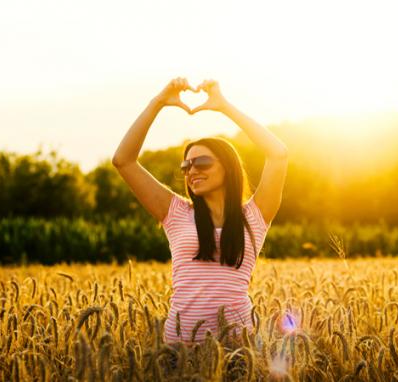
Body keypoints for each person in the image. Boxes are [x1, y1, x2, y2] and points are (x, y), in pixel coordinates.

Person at [112, 77, 288, 349]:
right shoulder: (175, 212)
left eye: (202, 162)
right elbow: (123, 160)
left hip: (239, 350)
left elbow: (278, 154)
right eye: (187, 165)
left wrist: (225, 107)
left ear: (228, 167)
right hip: (179, 350)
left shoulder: (255, 215)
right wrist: (157, 103)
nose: (192, 170)